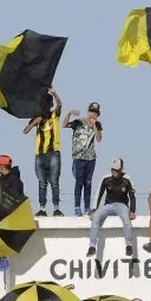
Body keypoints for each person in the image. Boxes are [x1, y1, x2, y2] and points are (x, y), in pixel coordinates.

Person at [22, 87, 63, 217]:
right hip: (40, 154)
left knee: (54, 181)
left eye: (47, 104)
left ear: (50, 105)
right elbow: (25, 131)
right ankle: (42, 208)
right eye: (43, 104)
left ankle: (56, 208)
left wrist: (54, 93)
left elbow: (60, 104)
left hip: (53, 153)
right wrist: (35, 122)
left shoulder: (54, 115)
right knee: (42, 182)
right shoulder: (37, 117)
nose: (45, 106)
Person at [87, 157, 136, 258]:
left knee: (126, 220)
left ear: (121, 169)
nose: (114, 172)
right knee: (96, 217)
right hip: (108, 205)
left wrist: (132, 210)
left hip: (122, 205)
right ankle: (92, 246)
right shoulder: (106, 179)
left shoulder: (127, 178)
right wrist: (93, 210)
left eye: (117, 170)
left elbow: (132, 196)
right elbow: (98, 194)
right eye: (113, 170)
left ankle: (129, 245)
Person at [65, 102, 103, 216]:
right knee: (79, 182)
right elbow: (65, 124)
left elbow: (99, 138)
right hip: (79, 157)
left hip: (90, 158)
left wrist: (95, 125)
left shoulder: (98, 124)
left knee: (88, 183)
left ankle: (87, 207)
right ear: (88, 112)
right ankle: (77, 206)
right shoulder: (79, 122)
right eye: (92, 112)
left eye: (96, 113)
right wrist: (69, 113)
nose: (94, 114)